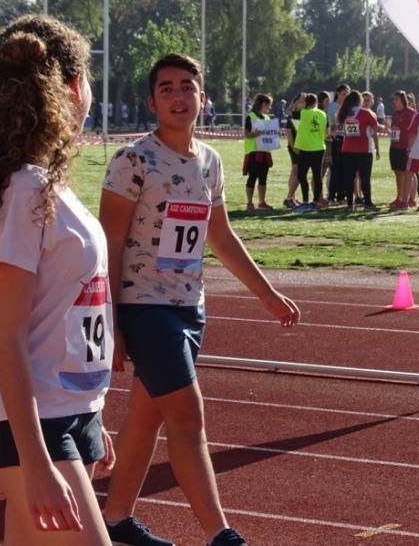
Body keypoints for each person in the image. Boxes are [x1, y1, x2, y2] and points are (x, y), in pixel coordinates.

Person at [99, 53, 302, 546]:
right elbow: (111, 241)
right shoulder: (132, 160)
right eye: (166, 87)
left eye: (187, 86)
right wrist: (112, 320)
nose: (178, 95)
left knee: (147, 415)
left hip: (190, 306)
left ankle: (114, 520)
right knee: (188, 417)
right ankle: (220, 535)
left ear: (203, 98)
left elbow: (221, 236)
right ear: (152, 101)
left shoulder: (210, 161)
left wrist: (267, 294)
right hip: (143, 306)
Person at [0, 14, 114, 545]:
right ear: (76, 87)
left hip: (64, 412)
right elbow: (5, 336)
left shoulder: (48, 187)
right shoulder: (24, 191)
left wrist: (89, 414)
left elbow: (67, 315)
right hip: (31, 424)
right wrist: (36, 462)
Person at [339, 90, 380, 212]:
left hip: (347, 149)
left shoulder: (344, 112)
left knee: (349, 177)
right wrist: (386, 128)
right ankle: (368, 203)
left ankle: (350, 205)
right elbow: (376, 127)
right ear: (359, 100)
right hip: (363, 149)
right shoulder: (366, 112)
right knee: (365, 177)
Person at [294, 93, 328, 209]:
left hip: (305, 148)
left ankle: (305, 200)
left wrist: (298, 103)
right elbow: (327, 131)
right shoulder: (323, 114)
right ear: (317, 102)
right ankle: (315, 201)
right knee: (317, 175)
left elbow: (289, 113)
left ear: (305, 103)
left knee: (302, 175)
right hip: (319, 147)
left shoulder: (302, 113)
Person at [243, 93, 275, 211]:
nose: (270, 108)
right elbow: (246, 134)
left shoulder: (267, 118)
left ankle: (262, 202)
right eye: (269, 105)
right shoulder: (250, 116)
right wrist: (255, 134)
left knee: (263, 178)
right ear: (263, 104)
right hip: (253, 152)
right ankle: (249, 203)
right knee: (252, 177)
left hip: (265, 152)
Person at [388, 90, 415, 209]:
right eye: (393, 100)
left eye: (396, 99)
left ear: (403, 100)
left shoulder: (410, 113)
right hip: (394, 147)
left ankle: (408, 198)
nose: (394, 102)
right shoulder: (394, 114)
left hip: (405, 147)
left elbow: (414, 130)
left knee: (407, 173)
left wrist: (411, 146)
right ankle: (399, 197)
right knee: (398, 173)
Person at [326, 84, 350, 204]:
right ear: (337, 93)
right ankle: (331, 196)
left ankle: (342, 196)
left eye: (347, 94)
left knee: (345, 169)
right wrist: (332, 133)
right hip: (336, 140)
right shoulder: (332, 107)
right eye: (343, 94)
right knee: (335, 169)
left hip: (347, 140)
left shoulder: (349, 107)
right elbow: (329, 124)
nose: (345, 96)